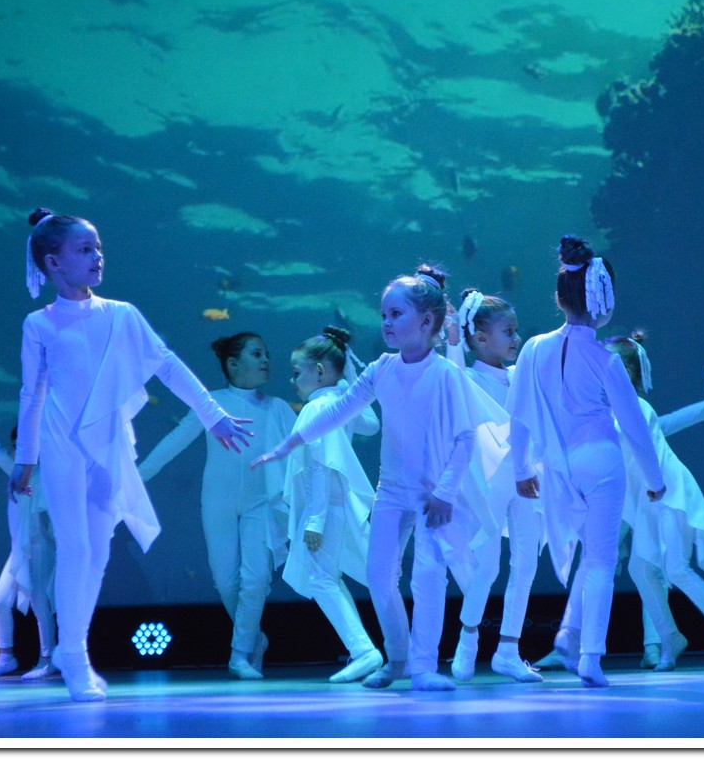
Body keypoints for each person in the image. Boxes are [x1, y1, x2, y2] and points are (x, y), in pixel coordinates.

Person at [11, 208, 252, 701]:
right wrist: (25, 459)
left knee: (98, 551)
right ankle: (73, 655)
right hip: (61, 444)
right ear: (53, 262)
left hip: (108, 442)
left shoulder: (122, 314)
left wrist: (212, 415)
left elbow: (168, 365)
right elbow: (32, 394)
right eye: (85, 249)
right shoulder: (40, 324)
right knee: (75, 548)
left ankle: (73, 646)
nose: (97, 256)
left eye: (98, 247)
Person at [252, 265, 506, 692]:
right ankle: (398, 658)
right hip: (391, 492)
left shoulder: (445, 374)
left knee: (428, 576)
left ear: (426, 321)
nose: (386, 322)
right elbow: (339, 411)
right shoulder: (382, 368)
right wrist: (288, 444)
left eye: (396, 314)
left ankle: (423, 666)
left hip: (432, 494)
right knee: (378, 575)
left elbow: (465, 439)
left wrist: (445, 492)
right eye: (384, 314)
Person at [506, 235, 667, 688]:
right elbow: (635, 427)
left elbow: (518, 415)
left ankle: (572, 640)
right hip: (601, 464)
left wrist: (521, 469)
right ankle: (590, 657)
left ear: (558, 298)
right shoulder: (606, 361)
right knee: (599, 562)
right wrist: (655, 479)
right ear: (605, 304)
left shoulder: (533, 348)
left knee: (588, 558)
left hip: (557, 467)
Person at [137, 332, 295, 680]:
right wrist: (135, 478)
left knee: (256, 578)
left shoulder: (279, 408)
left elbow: (306, 449)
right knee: (226, 582)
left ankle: (239, 654)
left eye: (266, 353)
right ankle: (255, 639)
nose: (266, 360)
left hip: (261, 503)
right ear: (233, 364)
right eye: (257, 354)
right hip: (217, 502)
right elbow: (174, 441)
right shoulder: (211, 403)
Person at [603, 333, 704, 672]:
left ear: (625, 372)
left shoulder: (636, 407)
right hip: (649, 499)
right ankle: (669, 637)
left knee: (676, 568)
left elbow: (643, 453)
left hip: (667, 492)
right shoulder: (612, 410)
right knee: (641, 569)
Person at [443, 289, 544, 683]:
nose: (516, 338)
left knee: (526, 563)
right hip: (489, 483)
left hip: (525, 477)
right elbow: (453, 373)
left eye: (516, 330)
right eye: (508, 331)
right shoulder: (468, 380)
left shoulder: (520, 376)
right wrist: (454, 340)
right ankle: (467, 640)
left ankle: (508, 650)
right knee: (486, 567)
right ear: (481, 338)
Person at [281, 326, 384, 684]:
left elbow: (321, 466)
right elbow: (370, 423)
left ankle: (364, 650)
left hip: (326, 507)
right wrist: (351, 373)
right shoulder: (340, 403)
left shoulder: (317, 408)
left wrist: (314, 520)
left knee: (321, 579)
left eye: (298, 372)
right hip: (336, 505)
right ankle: (362, 650)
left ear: (320, 371)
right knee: (327, 577)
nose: (293, 381)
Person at [0, 403, 58, 681]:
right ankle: (6, 657)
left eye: (21, 445)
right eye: (15, 445)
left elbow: (53, 512)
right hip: (19, 549)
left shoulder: (47, 475)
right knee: (0, 601)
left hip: (40, 547)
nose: (16, 450)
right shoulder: (16, 471)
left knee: (40, 602)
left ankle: (47, 659)